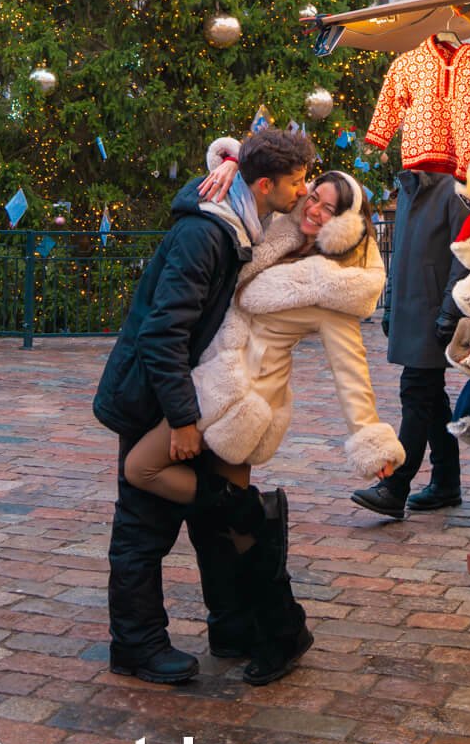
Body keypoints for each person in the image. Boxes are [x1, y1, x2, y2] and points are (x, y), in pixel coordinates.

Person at [92, 127, 315, 687]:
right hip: (156, 397)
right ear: (263, 185)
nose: (303, 190)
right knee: (143, 531)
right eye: (296, 181)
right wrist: (184, 419)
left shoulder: (240, 220)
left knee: (215, 525)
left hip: (199, 394)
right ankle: (137, 646)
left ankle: (234, 628)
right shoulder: (206, 234)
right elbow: (163, 333)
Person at [126, 165, 403, 492]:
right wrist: (234, 163)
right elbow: (269, 174)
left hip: (245, 396)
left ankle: (253, 514)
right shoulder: (279, 233)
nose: (314, 210)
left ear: (344, 224)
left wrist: (370, 439)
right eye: (313, 198)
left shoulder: (334, 286)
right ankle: (253, 517)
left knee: (141, 468)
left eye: (328, 209)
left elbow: (351, 370)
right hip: (216, 375)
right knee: (229, 519)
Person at [349, 168, 468, 521]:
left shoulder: (453, 189)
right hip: (413, 308)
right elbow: (400, 251)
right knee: (431, 399)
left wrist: (449, 309)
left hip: (435, 311)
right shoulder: (407, 188)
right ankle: (446, 481)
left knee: (416, 392)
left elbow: (465, 255)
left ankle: (396, 487)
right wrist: (391, 302)